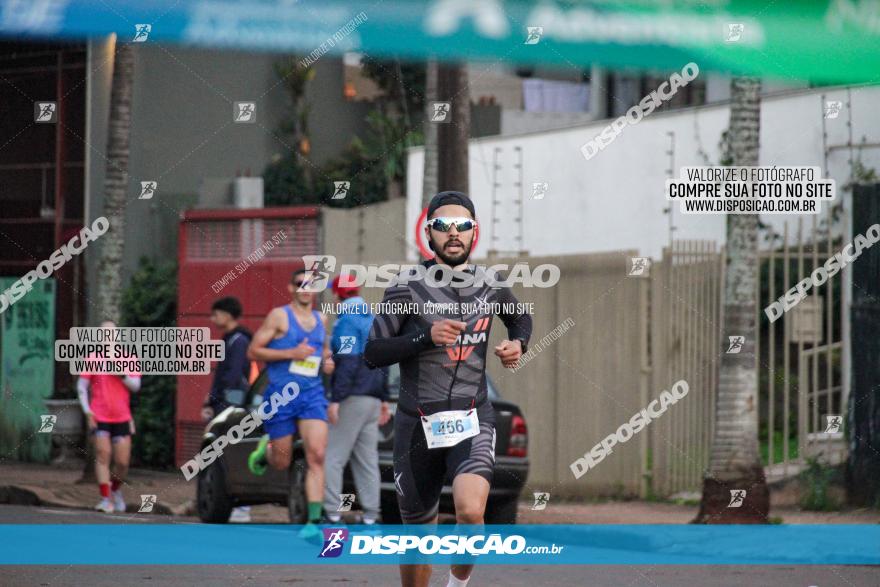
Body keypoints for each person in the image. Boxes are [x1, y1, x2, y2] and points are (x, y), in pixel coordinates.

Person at [364, 191, 532, 587]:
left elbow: (520, 319)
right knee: (418, 541)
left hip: (472, 419)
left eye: (463, 226)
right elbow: (372, 352)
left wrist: (518, 344)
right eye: (442, 226)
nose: (453, 233)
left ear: (475, 233)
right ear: (428, 234)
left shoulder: (491, 284)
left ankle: (457, 584)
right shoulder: (406, 286)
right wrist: (425, 337)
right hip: (416, 427)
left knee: (472, 513)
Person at [246, 268, 334, 539]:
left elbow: (323, 352)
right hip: (282, 395)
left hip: (312, 395)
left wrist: (328, 361)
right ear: (291, 288)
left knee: (317, 456)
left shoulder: (322, 318)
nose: (305, 288)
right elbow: (253, 350)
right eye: (300, 283)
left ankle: (313, 523)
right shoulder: (280, 316)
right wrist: (290, 353)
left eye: (311, 284)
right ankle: (265, 450)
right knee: (282, 462)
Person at [323, 275, 391, 525]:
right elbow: (383, 362)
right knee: (367, 460)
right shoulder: (373, 319)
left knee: (334, 457)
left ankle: (332, 513)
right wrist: (383, 398)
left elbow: (349, 362)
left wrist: (335, 399)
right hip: (373, 399)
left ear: (336, 294)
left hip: (353, 397)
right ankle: (372, 515)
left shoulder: (345, 322)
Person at [77, 320, 142, 514]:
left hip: (122, 417)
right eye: (104, 334)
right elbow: (81, 388)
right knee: (103, 455)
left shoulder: (128, 358)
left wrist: (121, 373)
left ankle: (115, 491)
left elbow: (136, 386)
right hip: (100, 415)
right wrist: (88, 411)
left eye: (111, 333)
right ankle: (106, 499)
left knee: (122, 463)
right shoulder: (93, 358)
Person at [204, 296, 253, 523]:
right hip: (224, 400)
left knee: (231, 449)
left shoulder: (239, 341)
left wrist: (220, 401)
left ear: (227, 314)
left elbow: (232, 376)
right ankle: (233, 503)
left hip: (232, 402)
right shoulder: (229, 339)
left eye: (216, 314)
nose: (213, 319)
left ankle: (243, 508)